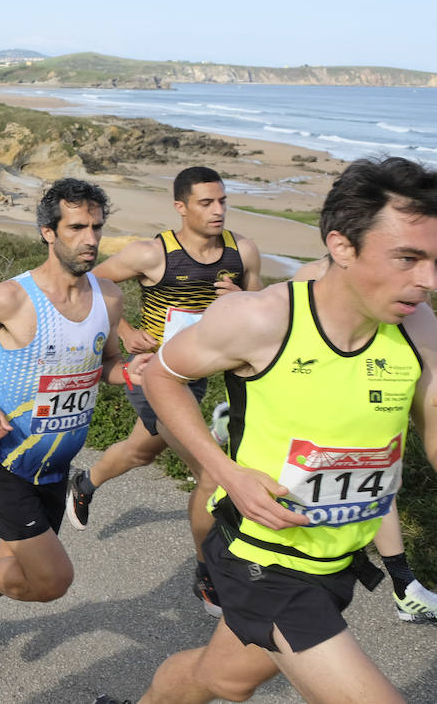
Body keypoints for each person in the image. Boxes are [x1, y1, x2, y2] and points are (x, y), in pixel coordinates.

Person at [103, 156, 437, 704]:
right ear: (342, 246)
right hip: (262, 558)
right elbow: (162, 376)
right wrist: (224, 471)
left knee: (220, 678)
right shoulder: (261, 320)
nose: (428, 281)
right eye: (408, 258)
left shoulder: (418, 328)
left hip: (337, 562)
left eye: (433, 259)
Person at [0, 178, 130, 676]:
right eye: (77, 227)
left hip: (54, 464)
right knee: (51, 580)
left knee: (18, 567)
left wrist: (132, 371)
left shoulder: (109, 296)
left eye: (97, 228)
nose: (90, 239)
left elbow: (106, 363)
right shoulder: (13, 298)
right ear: (48, 232)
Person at [67, 166, 262, 616]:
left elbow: (261, 310)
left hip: (203, 373)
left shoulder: (242, 251)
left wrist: (240, 299)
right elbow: (90, 282)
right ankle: (208, 573)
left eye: (222, 201)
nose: (218, 211)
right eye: (206, 203)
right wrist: (126, 327)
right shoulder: (152, 255)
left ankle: (85, 482)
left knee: (141, 451)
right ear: (181, 207)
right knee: (212, 474)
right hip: (155, 374)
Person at [289, 257, 437, 623]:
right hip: (313, 415)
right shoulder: (307, 278)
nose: (428, 278)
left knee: (382, 480)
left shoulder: (415, 302)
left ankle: (404, 586)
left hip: (377, 398)